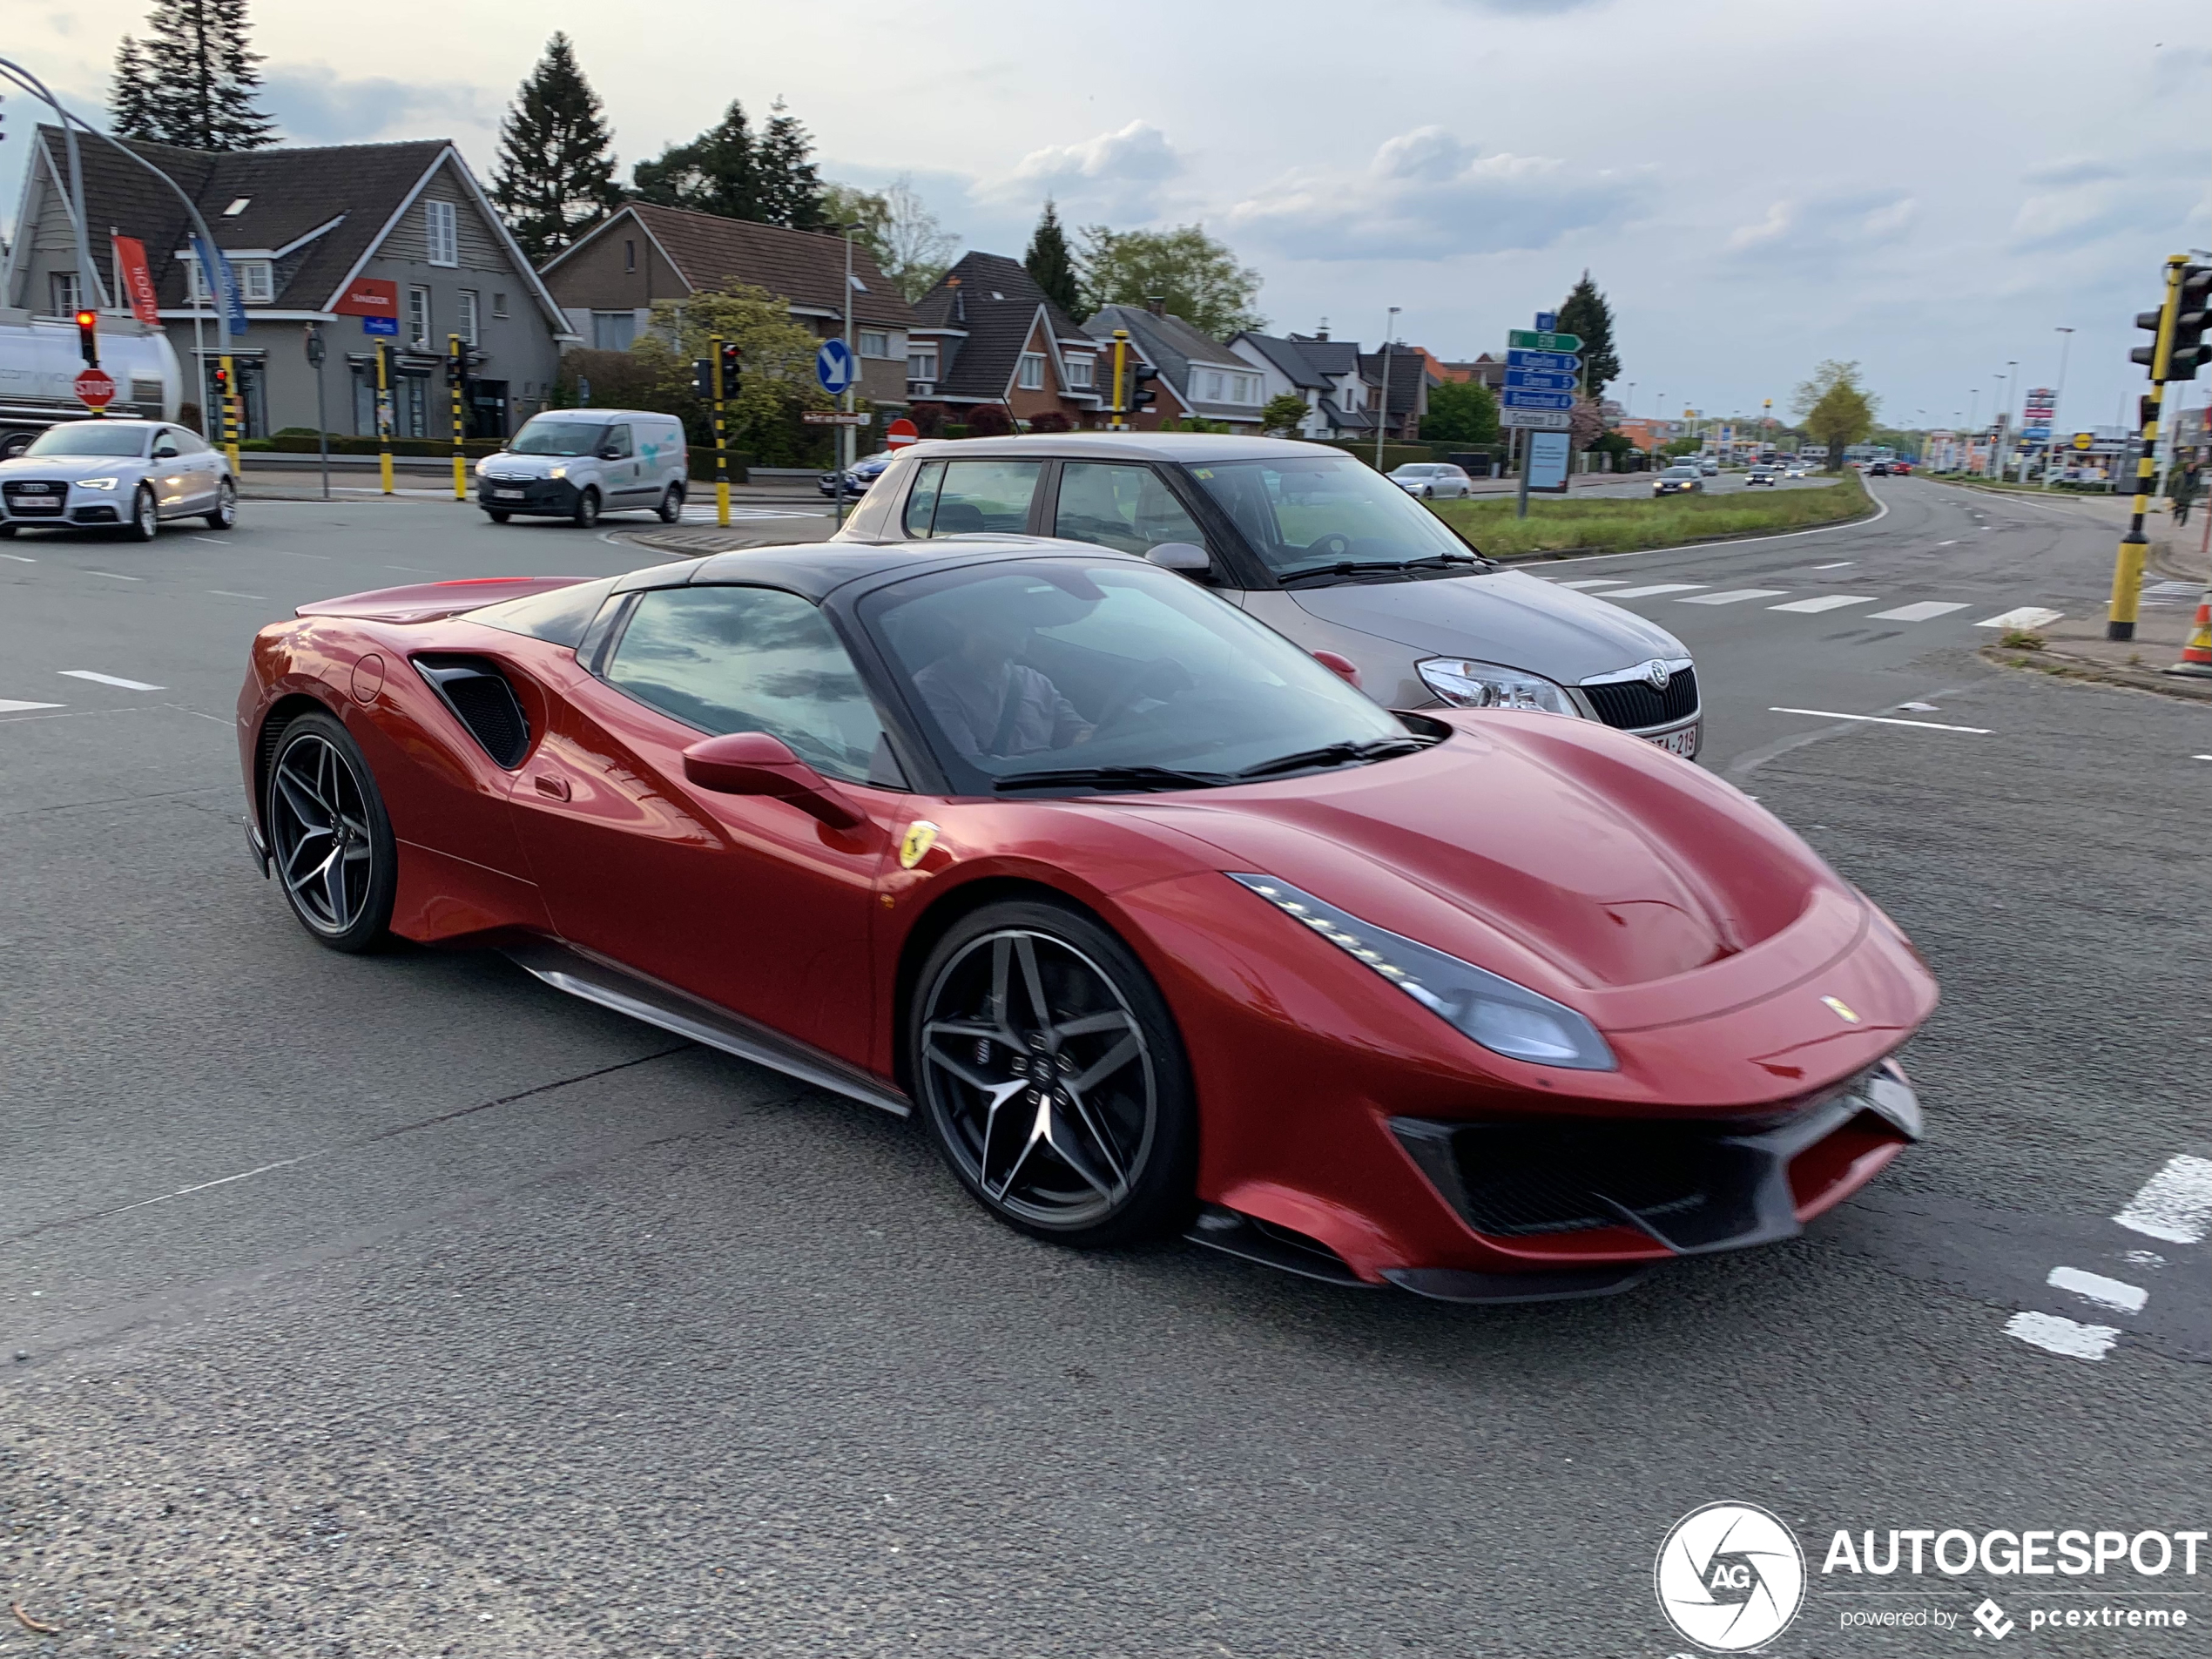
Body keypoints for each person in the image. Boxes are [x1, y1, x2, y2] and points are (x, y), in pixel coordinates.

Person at [913, 613, 1093, 762]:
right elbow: (968, 766)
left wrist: (1107, 734)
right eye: (1007, 622)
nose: (1021, 632)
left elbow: (1078, 733)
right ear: (972, 627)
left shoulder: (1035, 680)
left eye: (1024, 624)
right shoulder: (932, 687)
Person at [2169, 462, 2200, 527]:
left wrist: (2194, 493)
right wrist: (2172, 494)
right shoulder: (2181, 474)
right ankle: (2175, 519)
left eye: (2193, 466)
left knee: (2186, 509)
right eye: (2190, 466)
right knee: (2176, 508)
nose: (2191, 467)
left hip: (2188, 495)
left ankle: (2182, 524)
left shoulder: (2195, 476)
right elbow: (2175, 484)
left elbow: (2197, 486)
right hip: (2179, 494)